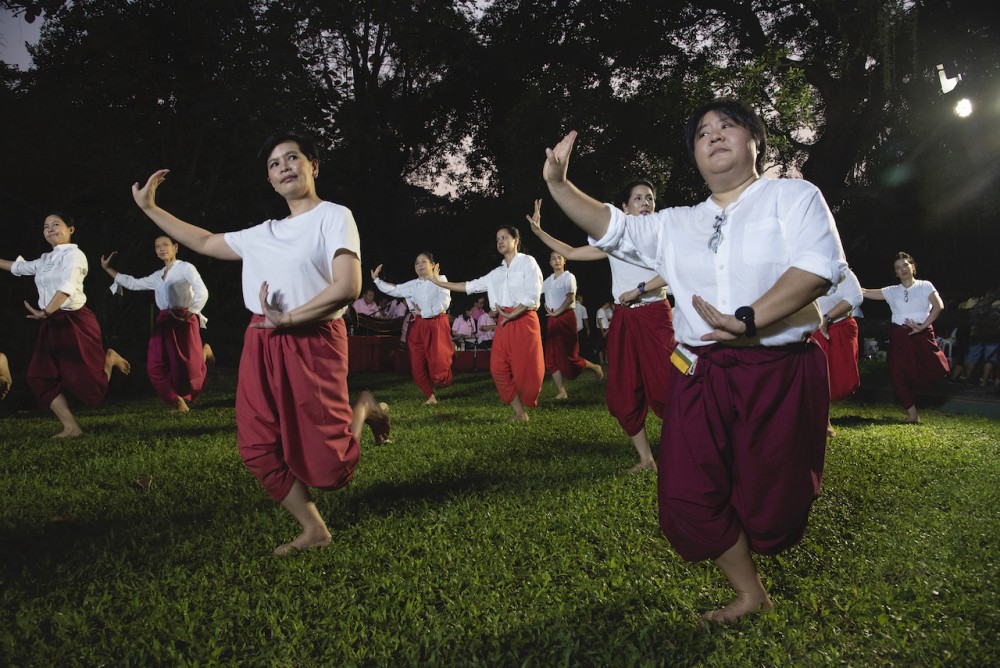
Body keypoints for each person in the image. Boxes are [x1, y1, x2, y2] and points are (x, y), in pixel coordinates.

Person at [541, 97, 847, 623]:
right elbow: (613, 227)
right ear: (695, 156)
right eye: (703, 132)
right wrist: (559, 184)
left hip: (780, 372)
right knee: (686, 494)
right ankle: (750, 594)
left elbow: (818, 268)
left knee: (774, 505)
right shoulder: (676, 224)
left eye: (729, 125)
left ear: (755, 141)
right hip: (700, 371)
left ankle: (764, 533)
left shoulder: (794, 197)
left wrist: (749, 319)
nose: (715, 135)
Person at [131, 130, 390, 556]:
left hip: (315, 341)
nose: (284, 167)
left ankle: (363, 406)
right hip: (262, 340)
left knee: (330, 469)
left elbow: (348, 286)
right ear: (270, 180)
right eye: (274, 164)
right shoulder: (263, 233)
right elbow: (204, 241)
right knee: (256, 446)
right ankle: (314, 529)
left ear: (313, 166)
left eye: (293, 158)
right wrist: (151, 208)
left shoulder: (334, 216)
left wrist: (287, 319)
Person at [530, 183, 675, 473]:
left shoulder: (663, 234)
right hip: (624, 319)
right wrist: (539, 232)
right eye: (638, 199)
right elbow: (571, 251)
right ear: (624, 208)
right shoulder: (613, 241)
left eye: (650, 199)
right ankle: (646, 459)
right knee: (623, 388)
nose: (645, 203)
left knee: (670, 385)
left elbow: (674, 270)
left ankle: (689, 446)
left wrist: (639, 290)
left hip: (655, 316)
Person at [2, 213, 132, 437]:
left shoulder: (75, 256)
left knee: (92, 390)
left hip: (76, 322)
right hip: (51, 322)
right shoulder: (45, 259)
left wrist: (46, 311)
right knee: (38, 377)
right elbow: (18, 268)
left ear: (71, 229)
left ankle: (108, 359)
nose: (50, 229)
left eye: (56, 224)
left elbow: (67, 286)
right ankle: (71, 427)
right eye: (45, 226)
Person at [430, 223, 544, 422]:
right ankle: (519, 413)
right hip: (503, 323)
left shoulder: (528, 263)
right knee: (498, 367)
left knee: (528, 371)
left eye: (504, 238)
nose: (500, 242)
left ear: (516, 240)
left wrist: (512, 314)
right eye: (497, 239)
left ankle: (528, 400)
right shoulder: (495, 274)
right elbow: (469, 286)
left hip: (525, 320)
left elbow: (533, 295)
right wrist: (439, 282)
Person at [101, 236, 214, 412]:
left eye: (165, 245)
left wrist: (190, 312)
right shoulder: (157, 276)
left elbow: (202, 292)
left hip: (184, 319)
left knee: (187, 370)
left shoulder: (185, 268)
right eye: (157, 246)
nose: (161, 249)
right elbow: (133, 283)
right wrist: (108, 269)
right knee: (154, 366)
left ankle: (203, 353)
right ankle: (177, 402)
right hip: (164, 322)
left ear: (175, 247)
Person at [862, 252, 949, 423]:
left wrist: (922, 327)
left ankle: (926, 399)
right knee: (898, 374)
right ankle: (912, 414)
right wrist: (845, 277)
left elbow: (939, 306)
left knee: (936, 369)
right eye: (898, 268)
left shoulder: (925, 286)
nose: (902, 269)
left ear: (913, 267)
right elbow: (864, 292)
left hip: (923, 334)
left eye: (905, 266)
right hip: (900, 336)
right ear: (895, 273)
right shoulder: (892, 291)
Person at [372, 253, 453, 404]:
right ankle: (430, 397)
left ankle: (444, 378)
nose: (420, 265)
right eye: (417, 263)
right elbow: (394, 290)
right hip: (418, 325)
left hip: (437, 323)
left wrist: (425, 312)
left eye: (424, 262)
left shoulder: (441, 280)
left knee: (438, 366)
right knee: (416, 364)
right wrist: (377, 280)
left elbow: (444, 303)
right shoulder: (412, 285)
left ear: (433, 265)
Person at [537, 236, 603, 399]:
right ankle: (562, 391)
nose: (556, 260)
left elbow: (570, 298)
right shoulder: (548, 281)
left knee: (570, 357)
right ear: (550, 262)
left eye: (559, 257)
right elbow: (535, 292)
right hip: (552, 318)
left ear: (564, 260)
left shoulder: (568, 277)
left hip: (565, 318)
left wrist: (557, 312)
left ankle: (595, 367)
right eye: (553, 258)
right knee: (550, 359)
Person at [814, 268, 863, 437]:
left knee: (843, 381)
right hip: (812, 330)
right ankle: (824, 421)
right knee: (818, 376)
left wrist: (827, 319)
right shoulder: (802, 270)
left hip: (840, 328)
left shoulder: (843, 272)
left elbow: (855, 297)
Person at [595, 300, 614, 365]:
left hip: (605, 329)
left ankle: (604, 360)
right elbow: (599, 321)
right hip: (601, 330)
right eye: (608, 304)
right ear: (606, 303)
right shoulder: (600, 311)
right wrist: (603, 331)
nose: (609, 305)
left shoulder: (604, 311)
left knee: (604, 346)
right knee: (599, 345)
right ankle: (600, 360)